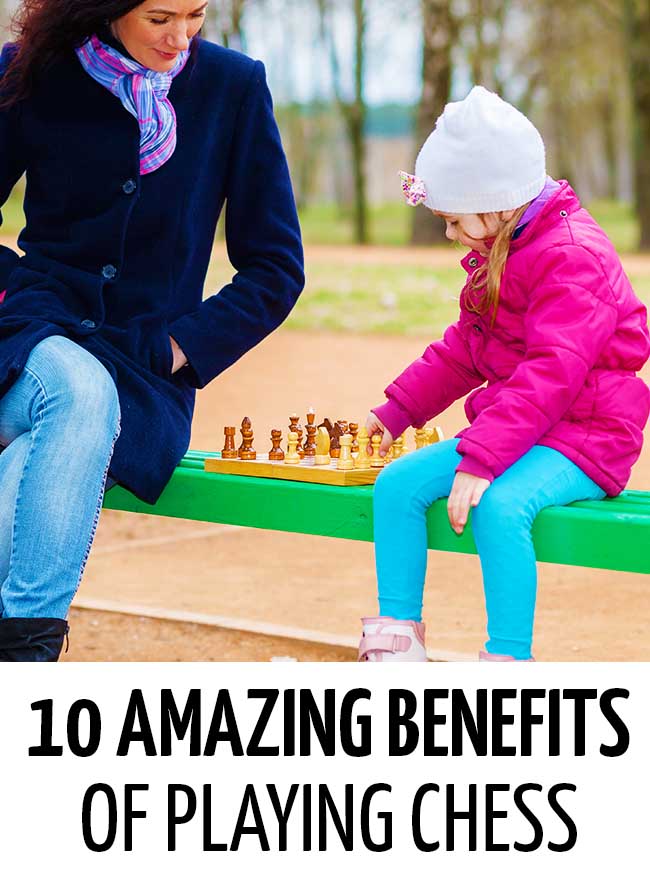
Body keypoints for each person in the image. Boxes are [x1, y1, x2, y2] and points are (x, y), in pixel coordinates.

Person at [0, 0, 304, 662]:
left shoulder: (232, 86)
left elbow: (277, 268)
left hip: (143, 373)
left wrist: (177, 348)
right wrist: (13, 290)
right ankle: (24, 670)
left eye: (195, 14)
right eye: (160, 18)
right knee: (80, 394)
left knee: (34, 461)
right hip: (27, 334)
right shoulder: (30, 73)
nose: (182, 37)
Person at [359, 86, 650, 664]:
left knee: (499, 507)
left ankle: (508, 663)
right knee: (395, 485)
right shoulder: (504, 247)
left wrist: (485, 457)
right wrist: (395, 412)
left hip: (586, 435)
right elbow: (467, 349)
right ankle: (397, 640)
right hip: (522, 429)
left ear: (496, 203)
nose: (448, 234)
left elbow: (553, 373)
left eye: (453, 220)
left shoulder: (573, 257)